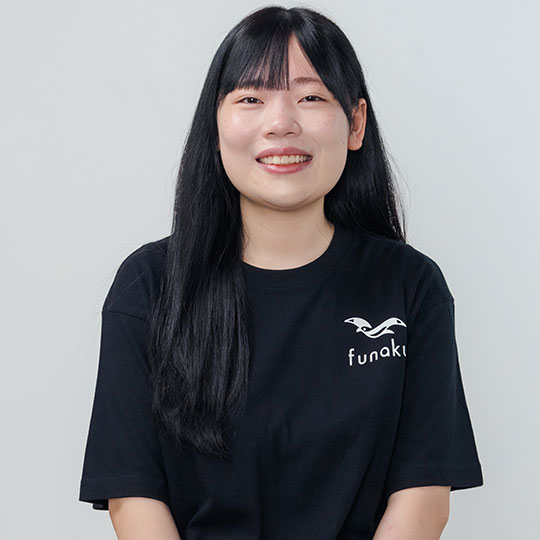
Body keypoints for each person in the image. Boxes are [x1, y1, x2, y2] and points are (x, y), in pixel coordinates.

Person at [78, 5, 483, 540]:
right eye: (251, 98)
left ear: (355, 123)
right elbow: (133, 498)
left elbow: (423, 495)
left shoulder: (410, 286)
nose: (281, 123)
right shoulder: (149, 286)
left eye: (311, 97)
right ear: (215, 124)